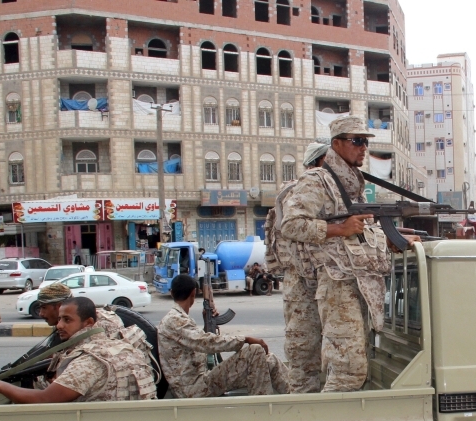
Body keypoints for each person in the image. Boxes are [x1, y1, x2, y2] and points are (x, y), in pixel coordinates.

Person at [279, 117, 418, 392]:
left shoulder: (353, 184)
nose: (363, 148)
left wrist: (391, 239)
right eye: (356, 141)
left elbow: (361, 230)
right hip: (336, 282)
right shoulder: (317, 180)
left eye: (365, 142)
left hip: (358, 282)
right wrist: (337, 229)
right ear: (337, 144)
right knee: (349, 372)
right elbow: (291, 225)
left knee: (355, 368)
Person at [0, 297, 157, 403]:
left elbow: (46, 399)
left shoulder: (90, 360)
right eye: (59, 319)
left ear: (89, 323)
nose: (59, 326)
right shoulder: (121, 347)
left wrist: (1, 386)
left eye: (67, 320)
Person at [157, 274, 289, 398]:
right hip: (194, 388)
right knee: (255, 351)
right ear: (193, 293)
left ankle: (298, 395)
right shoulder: (174, 320)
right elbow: (206, 343)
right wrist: (245, 339)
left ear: (172, 293)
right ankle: (260, 409)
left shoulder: (176, 319)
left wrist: (207, 324)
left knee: (269, 360)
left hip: (198, 383)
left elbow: (195, 343)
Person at [265, 141, 329, 393]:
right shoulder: (301, 192)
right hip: (304, 282)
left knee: (321, 358)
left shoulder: (306, 190)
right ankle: (304, 420)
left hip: (310, 281)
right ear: (318, 162)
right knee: (304, 359)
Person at [35, 282, 125, 339]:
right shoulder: (64, 326)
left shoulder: (92, 327)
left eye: (44, 308)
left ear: (59, 306)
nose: (41, 314)